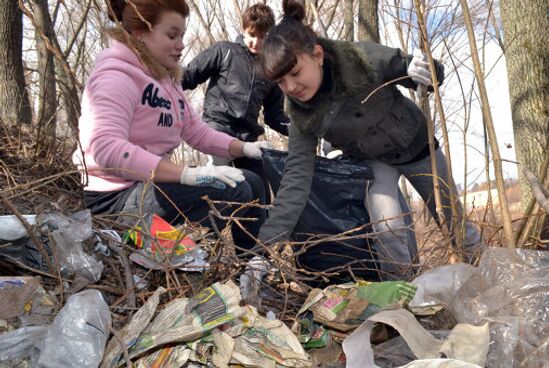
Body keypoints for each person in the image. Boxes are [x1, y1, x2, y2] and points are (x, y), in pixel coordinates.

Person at [255, 0, 483, 277]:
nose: (291, 87)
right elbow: (295, 179)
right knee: (388, 226)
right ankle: (404, 295)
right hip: (371, 163)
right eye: (280, 82)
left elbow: (423, 71)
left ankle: (488, 281)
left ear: (317, 55)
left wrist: (422, 71)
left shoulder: (359, 58)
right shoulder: (301, 114)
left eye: (295, 73)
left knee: (453, 222)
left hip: (417, 148)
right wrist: (264, 248)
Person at [73, 0, 268, 252]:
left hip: (149, 186)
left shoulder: (167, 81)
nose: (181, 44)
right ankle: (191, 254)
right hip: (115, 200)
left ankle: (253, 264)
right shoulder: (116, 75)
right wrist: (187, 175)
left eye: (183, 35)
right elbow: (104, 148)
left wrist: (246, 148)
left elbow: (197, 132)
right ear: (140, 33)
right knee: (235, 189)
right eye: (172, 35)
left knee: (251, 180)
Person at [182, 3, 290, 204]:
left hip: (248, 137)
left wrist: (298, 130)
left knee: (260, 193)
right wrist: (162, 87)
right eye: (252, 35)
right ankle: (213, 231)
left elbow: (274, 116)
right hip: (217, 128)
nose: (256, 42)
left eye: (263, 36)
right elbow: (188, 76)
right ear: (244, 29)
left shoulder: (270, 72)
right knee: (225, 184)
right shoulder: (224, 51)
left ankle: (254, 235)